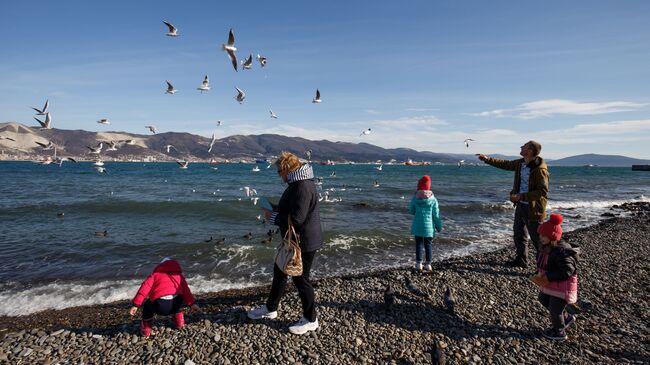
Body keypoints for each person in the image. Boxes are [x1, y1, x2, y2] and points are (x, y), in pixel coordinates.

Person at [248, 151, 323, 335]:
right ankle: (271, 308)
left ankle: (311, 319)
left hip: (303, 242)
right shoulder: (296, 183)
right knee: (279, 271)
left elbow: (297, 219)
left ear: (287, 169)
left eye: (279, 171)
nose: (279, 175)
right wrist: (273, 207)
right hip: (295, 239)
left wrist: (272, 216)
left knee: (301, 279)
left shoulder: (302, 187)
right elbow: (290, 210)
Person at [477, 140, 549, 267]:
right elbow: (505, 164)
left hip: (534, 209)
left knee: (537, 238)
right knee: (519, 234)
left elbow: (542, 191)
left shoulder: (540, 170)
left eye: (524, 146)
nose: (521, 147)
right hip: (521, 205)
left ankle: (546, 267)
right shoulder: (521, 163)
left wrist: (521, 196)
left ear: (530, 151)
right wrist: (487, 159)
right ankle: (521, 260)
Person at [529, 213, 579, 341]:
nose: (540, 237)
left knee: (554, 310)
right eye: (540, 235)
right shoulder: (546, 248)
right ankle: (567, 317)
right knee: (543, 298)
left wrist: (548, 276)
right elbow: (544, 264)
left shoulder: (561, 251)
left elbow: (567, 271)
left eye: (543, 235)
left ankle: (559, 332)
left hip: (562, 286)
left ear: (552, 236)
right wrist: (539, 274)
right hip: (551, 283)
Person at [129, 257, 199, 337]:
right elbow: (186, 291)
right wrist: (192, 303)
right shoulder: (179, 276)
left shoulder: (155, 275)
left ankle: (146, 330)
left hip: (161, 306)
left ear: (160, 266)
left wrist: (135, 305)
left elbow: (144, 289)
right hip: (175, 305)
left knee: (147, 306)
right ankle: (179, 323)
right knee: (179, 297)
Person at [408, 175, 442, 271]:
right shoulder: (433, 199)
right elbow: (436, 215)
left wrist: (416, 212)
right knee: (428, 244)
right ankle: (428, 264)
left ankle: (419, 264)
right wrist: (439, 226)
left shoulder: (415, 198)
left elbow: (411, 210)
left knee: (418, 244)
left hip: (418, 226)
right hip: (429, 227)